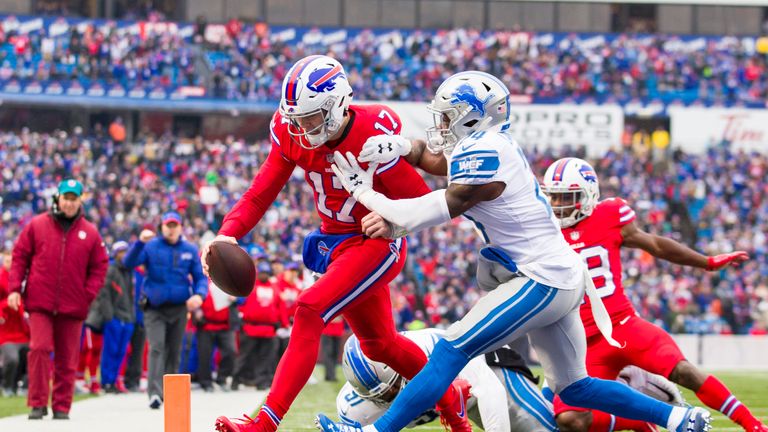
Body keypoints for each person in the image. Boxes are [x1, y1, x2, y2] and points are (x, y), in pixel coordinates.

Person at [316, 71, 711, 432]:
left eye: (449, 115)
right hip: (559, 275)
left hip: (541, 277)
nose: (440, 124)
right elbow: (436, 159)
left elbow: (423, 211)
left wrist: (362, 191)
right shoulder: (486, 145)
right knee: (574, 387)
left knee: (452, 350)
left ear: (473, 117)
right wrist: (405, 146)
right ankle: (679, 417)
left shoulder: (485, 151)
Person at [204, 55, 471, 432]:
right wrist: (227, 232)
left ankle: (263, 423)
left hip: (376, 242)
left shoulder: (373, 131)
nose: (300, 127)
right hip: (336, 243)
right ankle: (451, 399)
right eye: (294, 118)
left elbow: (420, 198)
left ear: (338, 105)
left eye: (310, 118)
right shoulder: (292, 132)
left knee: (309, 308)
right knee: (381, 345)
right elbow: (261, 192)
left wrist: (393, 217)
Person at [540, 157, 766, 432]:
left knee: (683, 371)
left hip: (623, 326)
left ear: (588, 195)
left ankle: (753, 425)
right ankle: (638, 419)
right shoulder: (543, 232)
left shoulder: (610, 215)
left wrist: (707, 262)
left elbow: (657, 245)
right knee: (570, 420)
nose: (557, 205)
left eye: (567, 197)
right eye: (554, 197)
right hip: (582, 344)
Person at [7, 179, 108, 420]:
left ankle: (62, 406)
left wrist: (87, 295)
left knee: (67, 356)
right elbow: (20, 256)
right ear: (57, 199)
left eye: (74, 199)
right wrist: (14, 289)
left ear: (80, 201)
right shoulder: (37, 225)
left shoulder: (90, 232)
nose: (70, 203)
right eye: (66, 198)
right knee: (39, 349)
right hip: (40, 302)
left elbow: (100, 266)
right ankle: (38, 403)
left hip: (73, 306)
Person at [338, 330, 556, 432]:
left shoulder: (433, 347)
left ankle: (556, 388)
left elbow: (490, 389)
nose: (391, 396)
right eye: (382, 396)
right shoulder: (353, 409)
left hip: (489, 369)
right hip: (463, 402)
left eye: (394, 385)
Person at [123, 211, 207, 409]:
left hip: (179, 307)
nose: (171, 229)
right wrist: (139, 243)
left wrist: (200, 295)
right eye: (168, 225)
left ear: (180, 227)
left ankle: (170, 392)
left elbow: (200, 277)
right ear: (161, 227)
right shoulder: (150, 246)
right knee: (157, 347)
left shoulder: (189, 249)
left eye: (174, 225)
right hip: (155, 307)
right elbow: (128, 263)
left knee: (175, 350)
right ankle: (155, 393)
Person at [232, 261, 286, 391]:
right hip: (250, 328)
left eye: (266, 273)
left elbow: (281, 307)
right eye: (262, 273)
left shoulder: (275, 289)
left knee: (266, 358)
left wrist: (283, 324)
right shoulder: (250, 287)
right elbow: (239, 303)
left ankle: (261, 381)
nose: (264, 275)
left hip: (268, 329)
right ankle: (236, 379)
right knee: (244, 357)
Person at [97, 241, 135, 394]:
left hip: (127, 318)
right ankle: (106, 382)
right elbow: (104, 294)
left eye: (126, 251)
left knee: (121, 352)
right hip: (115, 318)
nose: (124, 254)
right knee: (110, 351)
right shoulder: (111, 270)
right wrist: (109, 315)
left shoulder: (128, 271)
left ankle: (114, 381)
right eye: (121, 251)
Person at [196, 283, 238, 392]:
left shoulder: (227, 279)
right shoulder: (204, 280)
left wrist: (236, 298)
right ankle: (206, 382)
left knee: (231, 351)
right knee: (205, 355)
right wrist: (197, 311)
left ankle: (222, 378)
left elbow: (243, 298)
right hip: (206, 324)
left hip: (225, 325)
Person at [0, 251, 29, 397]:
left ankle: (23, 386)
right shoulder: (1, 279)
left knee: (33, 355)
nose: (9, 264)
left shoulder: (21, 280)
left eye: (12, 261)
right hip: (6, 331)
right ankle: (6, 386)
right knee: (12, 359)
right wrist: (5, 308)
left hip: (23, 329)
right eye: (7, 261)